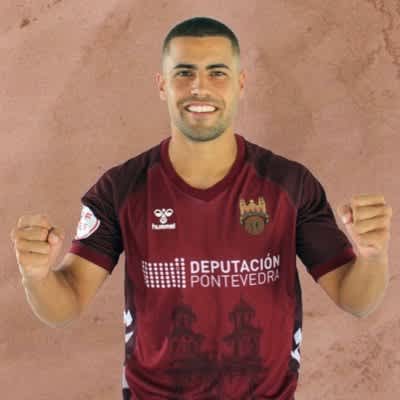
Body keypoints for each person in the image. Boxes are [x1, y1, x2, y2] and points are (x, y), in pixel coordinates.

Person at [10, 16, 392, 400]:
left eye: (217, 73)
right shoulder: (120, 189)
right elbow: (66, 304)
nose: (199, 87)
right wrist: (36, 276)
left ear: (241, 83)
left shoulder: (290, 184)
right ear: (162, 85)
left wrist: (373, 256)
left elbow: (355, 299)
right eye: (184, 73)